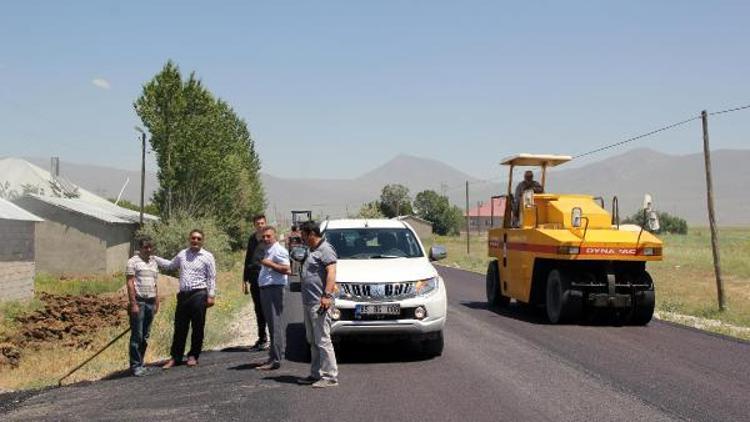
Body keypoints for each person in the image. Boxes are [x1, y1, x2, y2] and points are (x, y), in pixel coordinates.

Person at [156, 229, 217, 368]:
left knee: (197, 327)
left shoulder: (207, 256)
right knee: (180, 327)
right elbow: (170, 265)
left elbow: (211, 277)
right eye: (193, 238)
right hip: (183, 295)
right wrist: (154, 258)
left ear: (202, 241)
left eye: (198, 239)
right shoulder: (182, 254)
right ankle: (175, 357)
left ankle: (193, 356)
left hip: (199, 294)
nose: (195, 241)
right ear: (189, 239)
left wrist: (211, 295)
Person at [296, 221, 339, 388]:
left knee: (322, 340)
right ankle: (316, 374)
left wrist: (327, 295)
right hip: (309, 302)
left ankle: (330, 377)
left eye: (303, 236)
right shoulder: (312, 250)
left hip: (320, 302)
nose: (302, 239)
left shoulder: (326, 249)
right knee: (312, 340)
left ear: (311, 234)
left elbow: (331, 272)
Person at [253, 226, 291, 370]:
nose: (266, 239)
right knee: (271, 324)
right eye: (264, 237)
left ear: (274, 236)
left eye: (269, 236)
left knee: (275, 324)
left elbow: (287, 269)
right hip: (266, 289)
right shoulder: (267, 250)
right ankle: (272, 356)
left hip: (274, 289)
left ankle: (276, 359)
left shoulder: (279, 250)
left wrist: (270, 264)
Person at [125, 236, 160, 377]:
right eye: (146, 247)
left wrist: (157, 301)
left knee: (145, 335)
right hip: (139, 302)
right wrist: (133, 304)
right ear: (140, 248)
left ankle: (141, 363)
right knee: (137, 336)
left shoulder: (153, 262)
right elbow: (130, 283)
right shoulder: (132, 262)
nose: (149, 249)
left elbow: (155, 283)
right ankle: (135, 366)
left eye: (151, 247)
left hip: (151, 302)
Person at [243, 214, 270, 351]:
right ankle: (262, 338)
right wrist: (244, 279)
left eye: (262, 223)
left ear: (265, 223)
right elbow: (248, 258)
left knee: (268, 309)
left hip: (266, 278)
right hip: (254, 278)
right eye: (257, 223)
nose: (260, 225)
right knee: (258, 309)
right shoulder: (252, 239)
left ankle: (274, 339)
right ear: (254, 225)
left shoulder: (268, 239)